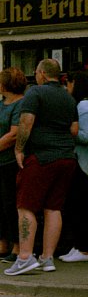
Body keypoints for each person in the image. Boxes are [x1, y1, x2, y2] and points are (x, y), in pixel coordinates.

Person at [5, 59, 78, 276]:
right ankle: (47, 258)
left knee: (26, 206)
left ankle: (25, 257)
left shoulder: (35, 92)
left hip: (41, 156)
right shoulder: (68, 97)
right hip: (66, 157)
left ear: (43, 74)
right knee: (53, 208)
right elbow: (74, 129)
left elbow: (26, 122)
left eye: (36, 72)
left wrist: (19, 149)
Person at [59, 70, 88, 263]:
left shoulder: (85, 106)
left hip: (83, 161)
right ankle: (78, 246)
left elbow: (86, 135)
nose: (66, 87)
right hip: (78, 159)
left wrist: (66, 129)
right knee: (75, 204)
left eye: (68, 83)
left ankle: (85, 249)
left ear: (75, 83)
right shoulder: (82, 104)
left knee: (81, 205)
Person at [0, 67, 26, 262]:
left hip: (11, 162)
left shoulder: (20, 104)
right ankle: (2, 242)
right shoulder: (2, 104)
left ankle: (17, 246)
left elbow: (14, 134)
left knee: (11, 203)